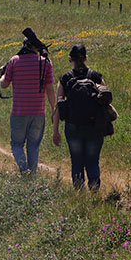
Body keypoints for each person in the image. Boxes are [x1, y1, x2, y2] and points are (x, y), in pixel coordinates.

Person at [0, 28, 55, 175]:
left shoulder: (14, 61)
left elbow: (4, 84)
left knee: (17, 145)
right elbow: (50, 90)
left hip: (19, 112)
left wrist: (2, 75)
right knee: (34, 146)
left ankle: (24, 171)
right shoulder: (45, 64)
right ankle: (32, 177)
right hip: (38, 113)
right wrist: (54, 110)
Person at [51, 44, 106, 191]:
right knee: (93, 160)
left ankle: (79, 193)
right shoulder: (95, 76)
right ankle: (94, 190)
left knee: (76, 161)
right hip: (94, 126)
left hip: (72, 126)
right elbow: (105, 100)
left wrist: (55, 130)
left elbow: (58, 105)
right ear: (86, 58)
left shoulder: (65, 78)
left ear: (70, 59)